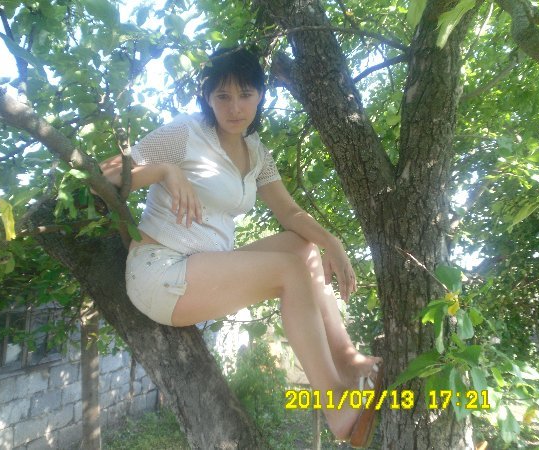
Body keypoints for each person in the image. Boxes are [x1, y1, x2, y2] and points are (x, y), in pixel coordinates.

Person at [100, 46, 383, 447]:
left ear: (261, 95)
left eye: (245, 94)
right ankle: (338, 408)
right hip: (161, 271)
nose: (235, 107)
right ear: (208, 98)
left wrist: (332, 242)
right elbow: (105, 174)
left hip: (205, 266)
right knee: (289, 270)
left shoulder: (256, 152)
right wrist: (166, 170)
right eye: (223, 96)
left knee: (303, 248)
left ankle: (350, 362)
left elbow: (289, 212)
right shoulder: (185, 133)